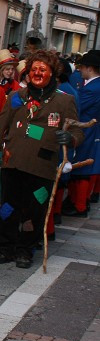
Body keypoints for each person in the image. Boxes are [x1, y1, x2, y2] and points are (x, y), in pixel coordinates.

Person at [0, 50, 83, 269]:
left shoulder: (63, 101)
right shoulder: (16, 97)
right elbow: (0, 128)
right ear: (28, 72)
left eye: (43, 69)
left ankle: (25, 249)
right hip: (13, 163)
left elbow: (78, 132)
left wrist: (71, 138)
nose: (37, 73)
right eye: (34, 69)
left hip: (42, 167)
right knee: (8, 207)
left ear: (53, 73)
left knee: (35, 210)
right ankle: (5, 246)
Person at [63, 49, 99, 218]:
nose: (79, 70)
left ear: (90, 68)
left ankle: (80, 206)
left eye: (82, 67)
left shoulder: (93, 88)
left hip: (86, 128)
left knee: (82, 167)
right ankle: (78, 202)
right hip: (89, 128)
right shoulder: (93, 85)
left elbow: (79, 107)